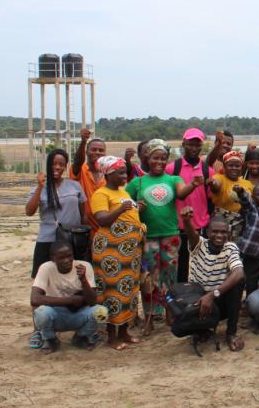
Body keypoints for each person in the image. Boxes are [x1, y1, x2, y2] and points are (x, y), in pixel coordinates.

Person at [126, 139, 203, 333]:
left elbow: (182, 194)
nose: (159, 162)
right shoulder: (138, 182)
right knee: (149, 277)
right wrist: (136, 206)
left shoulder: (173, 179)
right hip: (148, 236)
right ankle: (151, 316)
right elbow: (125, 205)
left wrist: (193, 184)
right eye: (155, 158)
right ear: (147, 158)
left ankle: (170, 311)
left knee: (169, 276)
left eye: (163, 158)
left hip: (170, 235)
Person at [90, 155, 145, 350]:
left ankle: (124, 332)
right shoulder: (100, 194)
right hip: (110, 253)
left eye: (125, 172)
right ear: (109, 174)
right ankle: (112, 337)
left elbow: (128, 214)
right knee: (112, 293)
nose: (125, 175)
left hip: (129, 254)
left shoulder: (123, 192)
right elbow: (102, 219)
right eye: (121, 172)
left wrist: (136, 208)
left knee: (128, 292)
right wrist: (122, 209)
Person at [181, 208, 246, 352]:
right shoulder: (198, 245)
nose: (219, 235)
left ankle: (231, 333)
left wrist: (212, 295)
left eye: (223, 232)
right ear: (208, 232)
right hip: (198, 298)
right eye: (215, 231)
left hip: (217, 298)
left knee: (238, 283)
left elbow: (239, 273)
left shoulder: (230, 248)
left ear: (229, 234)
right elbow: (192, 235)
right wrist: (186, 221)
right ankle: (203, 329)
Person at [30, 241, 100, 353]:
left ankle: (81, 336)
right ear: (53, 259)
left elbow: (92, 301)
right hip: (55, 314)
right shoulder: (46, 268)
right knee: (41, 312)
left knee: (101, 312)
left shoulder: (84, 266)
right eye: (61, 257)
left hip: (78, 313)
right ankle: (50, 339)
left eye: (69, 256)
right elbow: (34, 299)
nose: (67, 260)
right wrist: (70, 300)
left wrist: (83, 280)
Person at [26, 148, 86, 278]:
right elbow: (29, 212)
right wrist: (40, 186)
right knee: (44, 277)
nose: (57, 167)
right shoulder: (40, 188)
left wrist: (86, 235)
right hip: (48, 240)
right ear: (48, 164)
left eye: (61, 164)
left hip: (72, 240)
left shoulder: (75, 186)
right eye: (54, 163)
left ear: (65, 166)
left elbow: (83, 215)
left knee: (73, 277)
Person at [166, 128, 216, 283]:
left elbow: (210, 199)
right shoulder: (172, 168)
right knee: (179, 268)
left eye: (197, 145)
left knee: (200, 267)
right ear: (183, 144)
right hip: (177, 227)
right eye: (190, 144)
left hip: (200, 227)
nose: (194, 148)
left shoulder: (208, 171)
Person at [209, 150, 255, 236]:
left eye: (237, 166)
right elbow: (216, 186)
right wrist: (212, 183)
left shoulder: (247, 183)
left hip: (242, 225)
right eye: (230, 165)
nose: (234, 168)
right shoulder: (219, 178)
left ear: (241, 167)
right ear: (224, 167)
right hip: (221, 225)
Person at [69, 127, 106, 231]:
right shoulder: (80, 169)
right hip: (84, 227)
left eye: (101, 150)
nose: (97, 152)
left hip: (104, 227)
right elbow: (77, 161)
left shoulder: (108, 173)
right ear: (86, 152)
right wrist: (83, 142)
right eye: (93, 149)